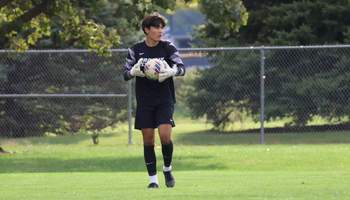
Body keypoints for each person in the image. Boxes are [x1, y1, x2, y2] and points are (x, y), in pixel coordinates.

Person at [123, 12, 186, 188]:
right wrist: (133, 72)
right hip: (145, 101)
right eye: (156, 28)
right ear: (146, 30)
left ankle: (167, 168)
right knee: (149, 140)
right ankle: (153, 181)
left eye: (162, 28)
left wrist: (173, 71)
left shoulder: (168, 47)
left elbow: (182, 68)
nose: (160, 31)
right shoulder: (135, 49)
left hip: (165, 99)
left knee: (165, 137)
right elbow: (125, 74)